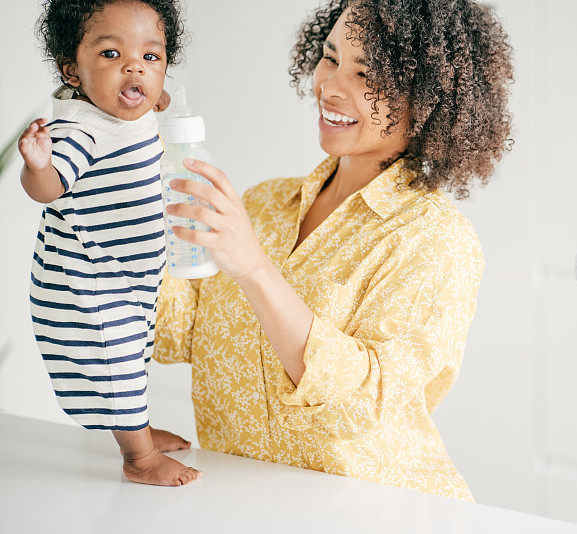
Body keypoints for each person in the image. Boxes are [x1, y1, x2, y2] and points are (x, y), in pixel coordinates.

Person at [154, 0, 513, 500]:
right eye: (330, 56)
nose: (330, 86)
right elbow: (174, 333)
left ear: (429, 98)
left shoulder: (435, 241)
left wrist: (255, 268)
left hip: (380, 512)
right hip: (243, 506)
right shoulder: (263, 205)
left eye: (365, 72)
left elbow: (360, 404)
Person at [19, 0, 199, 486]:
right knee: (113, 362)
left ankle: (136, 427)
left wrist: (153, 99)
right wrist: (38, 165)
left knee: (133, 354)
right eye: (110, 55)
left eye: (151, 57)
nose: (134, 67)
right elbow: (50, 188)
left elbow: (146, 101)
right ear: (71, 72)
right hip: (85, 281)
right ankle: (138, 456)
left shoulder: (126, 109)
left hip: (125, 272)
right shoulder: (80, 132)